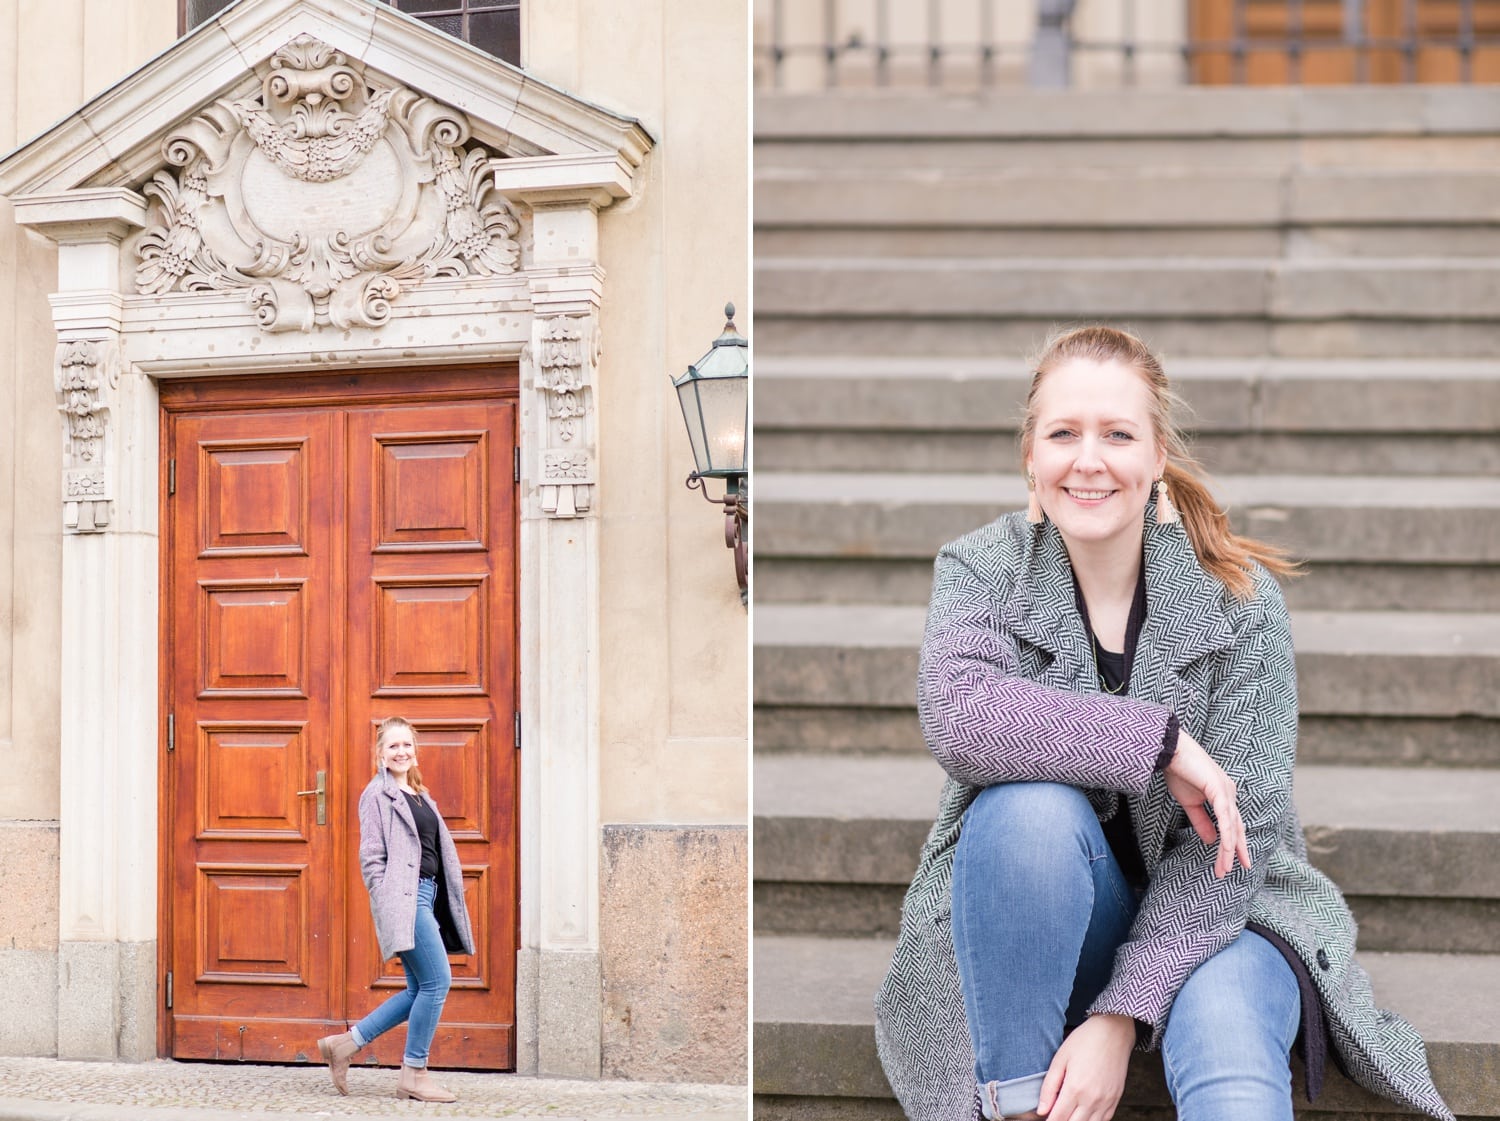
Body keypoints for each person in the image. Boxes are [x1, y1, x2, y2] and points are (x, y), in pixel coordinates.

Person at [873, 326, 1454, 1121]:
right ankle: (1014, 1108)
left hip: (1221, 917)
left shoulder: (1238, 600)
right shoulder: (984, 567)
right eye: (1063, 433)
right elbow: (959, 713)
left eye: (1117, 434)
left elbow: (1230, 849)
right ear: (1030, 459)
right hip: (1038, 920)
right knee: (1023, 811)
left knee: (1225, 1031)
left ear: (1156, 457)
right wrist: (1162, 741)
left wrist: (1119, 1017)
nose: (1089, 459)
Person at [317, 716, 476, 1102]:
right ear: (380, 754)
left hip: (427, 895)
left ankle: (345, 1044)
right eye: (393, 746)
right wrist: (387, 898)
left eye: (407, 745)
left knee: (418, 988)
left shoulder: (421, 794)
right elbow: (371, 858)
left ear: (415, 751)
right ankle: (414, 1073)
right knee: (437, 983)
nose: (401, 752)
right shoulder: (377, 795)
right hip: (405, 900)